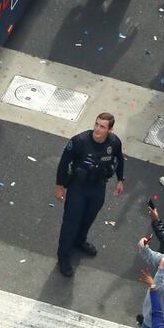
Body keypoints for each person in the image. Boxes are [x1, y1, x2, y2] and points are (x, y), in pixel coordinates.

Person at [54, 112, 125, 277]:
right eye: (96, 124)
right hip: (78, 188)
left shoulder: (114, 142)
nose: (97, 129)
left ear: (110, 129)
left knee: (88, 219)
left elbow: (119, 159)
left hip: (98, 187)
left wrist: (120, 179)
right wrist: (59, 186)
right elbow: (64, 163)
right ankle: (63, 256)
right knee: (71, 222)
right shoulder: (79, 141)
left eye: (102, 126)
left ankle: (79, 242)